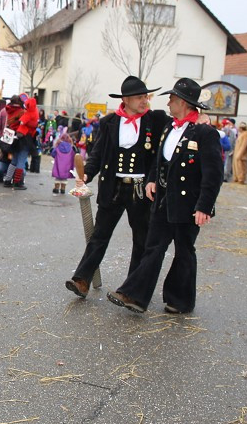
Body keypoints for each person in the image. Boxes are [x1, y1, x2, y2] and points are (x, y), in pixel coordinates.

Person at [106, 78, 223, 314]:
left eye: (171, 99)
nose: (167, 102)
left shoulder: (204, 133)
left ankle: (180, 301)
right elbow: (160, 160)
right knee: (154, 247)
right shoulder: (170, 127)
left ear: (182, 102)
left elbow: (213, 174)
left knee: (184, 251)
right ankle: (135, 296)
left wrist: (204, 206)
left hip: (188, 204)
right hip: (163, 201)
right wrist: (151, 180)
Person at [65, 77, 169, 299]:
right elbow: (98, 153)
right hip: (113, 188)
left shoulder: (157, 120)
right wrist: (86, 175)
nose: (144, 100)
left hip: (141, 190)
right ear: (126, 100)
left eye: (146, 96)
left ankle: (131, 290)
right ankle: (82, 279)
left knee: (141, 239)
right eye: (140, 97)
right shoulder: (110, 122)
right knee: (99, 235)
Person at [3, 93, 38, 189]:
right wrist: (35, 125)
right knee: (21, 160)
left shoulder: (8, 110)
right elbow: (31, 124)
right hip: (24, 138)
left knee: (14, 160)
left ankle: (7, 180)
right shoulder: (22, 112)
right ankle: (17, 182)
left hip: (14, 137)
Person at [50, 128, 77, 194]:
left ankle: (56, 188)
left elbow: (53, 153)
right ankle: (63, 189)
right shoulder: (71, 148)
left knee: (58, 177)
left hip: (58, 164)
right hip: (67, 165)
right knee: (64, 178)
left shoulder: (58, 146)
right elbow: (74, 155)